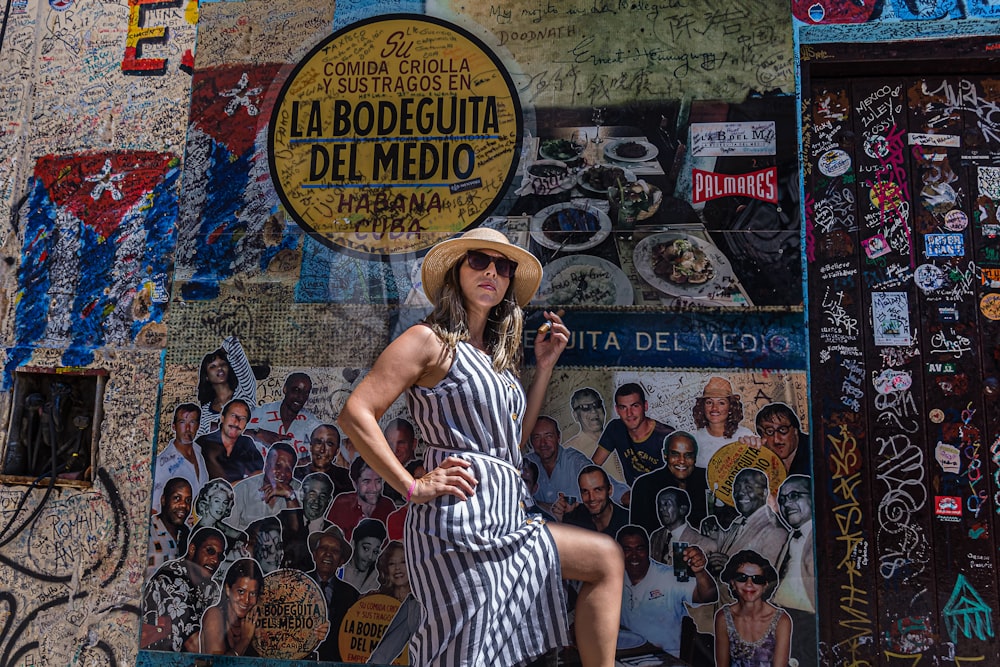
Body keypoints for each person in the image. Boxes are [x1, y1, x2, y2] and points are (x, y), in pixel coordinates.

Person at [337, 227, 623, 666]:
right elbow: (356, 412)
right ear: (457, 271)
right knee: (466, 653)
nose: (492, 271)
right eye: (479, 261)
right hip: (457, 520)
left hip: (508, 515)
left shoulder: (498, 360)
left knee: (605, 559)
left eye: (503, 266)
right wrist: (410, 485)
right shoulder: (428, 340)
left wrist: (543, 368)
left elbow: (514, 444)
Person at [617, 525, 717, 655]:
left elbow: (708, 596)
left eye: (639, 549)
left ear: (648, 550)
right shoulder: (611, 579)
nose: (634, 556)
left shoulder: (669, 575)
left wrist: (700, 571)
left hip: (668, 657)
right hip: (628, 656)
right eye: (627, 550)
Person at [141, 526, 225, 652]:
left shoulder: (211, 587)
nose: (215, 560)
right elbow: (194, 646)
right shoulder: (171, 580)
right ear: (192, 549)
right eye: (210, 551)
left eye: (220, 556)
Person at [714, 550, 791, 667]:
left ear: (765, 585)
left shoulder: (781, 620)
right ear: (733, 583)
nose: (749, 584)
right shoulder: (723, 618)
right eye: (742, 578)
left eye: (757, 579)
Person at [592, 382, 674, 487]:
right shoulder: (615, 428)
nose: (629, 413)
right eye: (623, 407)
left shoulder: (666, 436)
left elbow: (677, 480)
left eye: (635, 406)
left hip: (662, 496)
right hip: (632, 495)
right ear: (617, 410)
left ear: (645, 406)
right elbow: (593, 467)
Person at [630, 430, 712, 535]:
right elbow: (638, 535)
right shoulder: (645, 485)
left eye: (688, 455)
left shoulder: (708, 479)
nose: (682, 461)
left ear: (695, 457)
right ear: (665, 455)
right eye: (675, 454)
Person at [710, 469, 788, 576]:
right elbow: (723, 547)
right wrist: (712, 527)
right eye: (737, 488)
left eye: (748, 487)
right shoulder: (741, 522)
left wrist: (731, 568)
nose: (740, 492)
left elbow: (769, 580)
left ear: (765, 493)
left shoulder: (775, 531)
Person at [773, 475, 816, 665]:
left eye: (794, 495)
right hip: (784, 620)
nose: (787, 503)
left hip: (807, 626)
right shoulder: (791, 536)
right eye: (782, 499)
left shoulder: (823, 536)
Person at [306, 525, 358, 662]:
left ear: (341, 560)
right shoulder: (297, 585)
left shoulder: (352, 595)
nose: (328, 553)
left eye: (335, 550)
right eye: (323, 548)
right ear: (314, 554)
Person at [246, 372, 321, 461]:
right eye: (296, 390)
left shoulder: (312, 424)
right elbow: (230, 432)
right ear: (285, 389)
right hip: (256, 473)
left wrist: (304, 463)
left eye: (306, 393)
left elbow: (330, 447)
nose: (301, 397)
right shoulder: (261, 413)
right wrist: (257, 434)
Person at [367, 541, 421, 665]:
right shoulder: (414, 602)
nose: (397, 568)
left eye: (403, 562)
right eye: (392, 563)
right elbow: (384, 653)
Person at [524, 415, 592, 512]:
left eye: (548, 436)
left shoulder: (576, 462)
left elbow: (605, 488)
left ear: (558, 437)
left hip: (576, 525)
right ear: (531, 442)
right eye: (537, 437)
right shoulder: (525, 465)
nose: (543, 443)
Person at [200, 558, 264, 656]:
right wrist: (245, 640)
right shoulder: (214, 616)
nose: (246, 600)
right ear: (228, 589)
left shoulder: (255, 621)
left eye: (252, 593)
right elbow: (218, 664)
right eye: (241, 591)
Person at [230, 441, 302, 529]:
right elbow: (228, 529)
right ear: (266, 464)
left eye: (288, 469)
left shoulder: (298, 489)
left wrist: (290, 495)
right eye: (278, 465)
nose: (282, 473)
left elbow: (298, 532)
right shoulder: (243, 489)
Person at [196, 337, 257, 436]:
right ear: (206, 376)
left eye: (222, 364)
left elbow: (232, 343)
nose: (219, 368)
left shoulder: (245, 391)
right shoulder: (205, 412)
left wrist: (220, 352)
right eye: (213, 366)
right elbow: (200, 445)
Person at [152, 404, 207, 512]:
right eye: (182, 422)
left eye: (192, 422)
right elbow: (154, 509)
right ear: (174, 426)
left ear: (198, 426)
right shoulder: (162, 464)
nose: (187, 428)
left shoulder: (199, 453)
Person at [326, 456, 395, 540]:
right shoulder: (341, 505)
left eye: (378, 481)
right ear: (355, 483)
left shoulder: (388, 507)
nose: (374, 488)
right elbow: (328, 539)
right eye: (366, 481)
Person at [198, 399, 263, 484]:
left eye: (243, 418)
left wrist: (236, 485)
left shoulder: (246, 443)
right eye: (233, 416)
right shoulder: (203, 443)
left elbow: (260, 474)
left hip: (239, 495)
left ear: (245, 425)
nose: (236, 422)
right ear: (222, 418)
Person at [692, 377, 753, 468]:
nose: (714, 408)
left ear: (731, 407)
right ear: (702, 407)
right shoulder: (695, 439)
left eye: (721, 403)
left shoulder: (745, 436)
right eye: (709, 402)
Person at [648, 487, 718, 565]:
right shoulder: (656, 536)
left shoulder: (705, 544)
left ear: (682, 509)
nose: (661, 509)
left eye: (666, 504)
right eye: (659, 505)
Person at [740, 403, 810, 478]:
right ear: (762, 436)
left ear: (795, 431)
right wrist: (747, 455)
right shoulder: (762, 456)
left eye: (782, 430)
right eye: (769, 431)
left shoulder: (816, 450)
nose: (776, 440)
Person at [563, 465, 629, 537]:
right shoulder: (575, 518)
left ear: (610, 490)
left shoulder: (628, 522)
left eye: (597, 490)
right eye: (585, 491)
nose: (591, 498)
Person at [147, 477, 193, 578]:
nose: (183, 505)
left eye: (188, 500)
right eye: (177, 498)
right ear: (163, 500)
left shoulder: (187, 537)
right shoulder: (148, 532)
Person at [191, 478, 247, 560]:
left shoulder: (218, 525)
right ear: (207, 501)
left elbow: (243, 536)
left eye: (225, 503)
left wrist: (239, 544)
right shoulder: (200, 531)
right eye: (217, 501)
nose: (221, 507)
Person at [293, 424, 353, 496]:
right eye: (318, 442)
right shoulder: (295, 474)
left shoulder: (345, 479)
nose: (322, 450)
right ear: (311, 447)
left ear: (337, 451)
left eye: (329, 444)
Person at [339, 517, 385, 594]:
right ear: (353, 544)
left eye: (375, 551)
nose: (370, 557)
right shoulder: (338, 569)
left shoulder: (377, 578)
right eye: (366, 548)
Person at [382, 418, 422, 504]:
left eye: (401, 443)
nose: (395, 449)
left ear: (414, 444)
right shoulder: (383, 477)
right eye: (390, 444)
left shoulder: (422, 471)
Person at [563, 387, 607, 459]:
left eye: (597, 405)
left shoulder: (621, 438)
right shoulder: (569, 451)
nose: (593, 411)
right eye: (585, 407)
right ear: (575, 415)